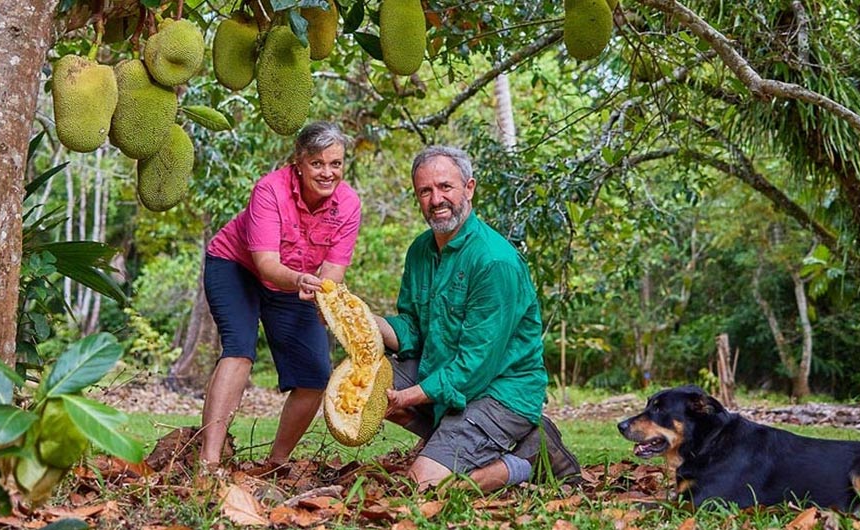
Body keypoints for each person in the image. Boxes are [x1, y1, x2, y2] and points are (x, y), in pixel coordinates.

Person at [374, 145, 580, 491]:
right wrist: (357, 319)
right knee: (365, 381)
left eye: (445, 187)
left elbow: (474, 366)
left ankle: (526, 459)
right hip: (444, 373)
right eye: (425, 191)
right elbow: (412, 330)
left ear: (468, 188)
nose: (436, 199)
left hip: (499, 390)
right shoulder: (421, 251)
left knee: (426, 486)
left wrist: (407, 397)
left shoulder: (494, 261)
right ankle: (458, 440)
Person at [199, 122, 360, 470]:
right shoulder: (270, 190)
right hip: (237, 267)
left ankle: (276, 462)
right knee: (240, 349)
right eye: (317, 163)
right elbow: (267, 264)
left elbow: (332, 270)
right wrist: (302, 280)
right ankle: (208, 461)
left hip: (296, 282)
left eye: (336, 163)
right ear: (298, 162)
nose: (327, 172)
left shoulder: (348, 204)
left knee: (315, 376)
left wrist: (326, 301)